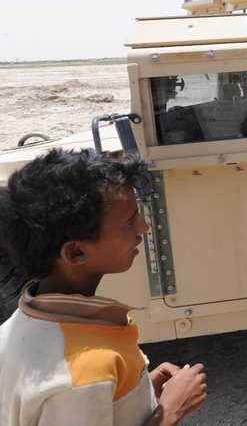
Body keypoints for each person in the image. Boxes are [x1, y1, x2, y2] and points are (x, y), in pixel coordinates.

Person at [0, 148, 208, 426]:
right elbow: (81, 389)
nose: (144, 227)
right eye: (129, 221)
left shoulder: (17, 325)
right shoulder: (82, 376)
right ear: (75, 253)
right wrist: (168, 412)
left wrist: (135, 394)